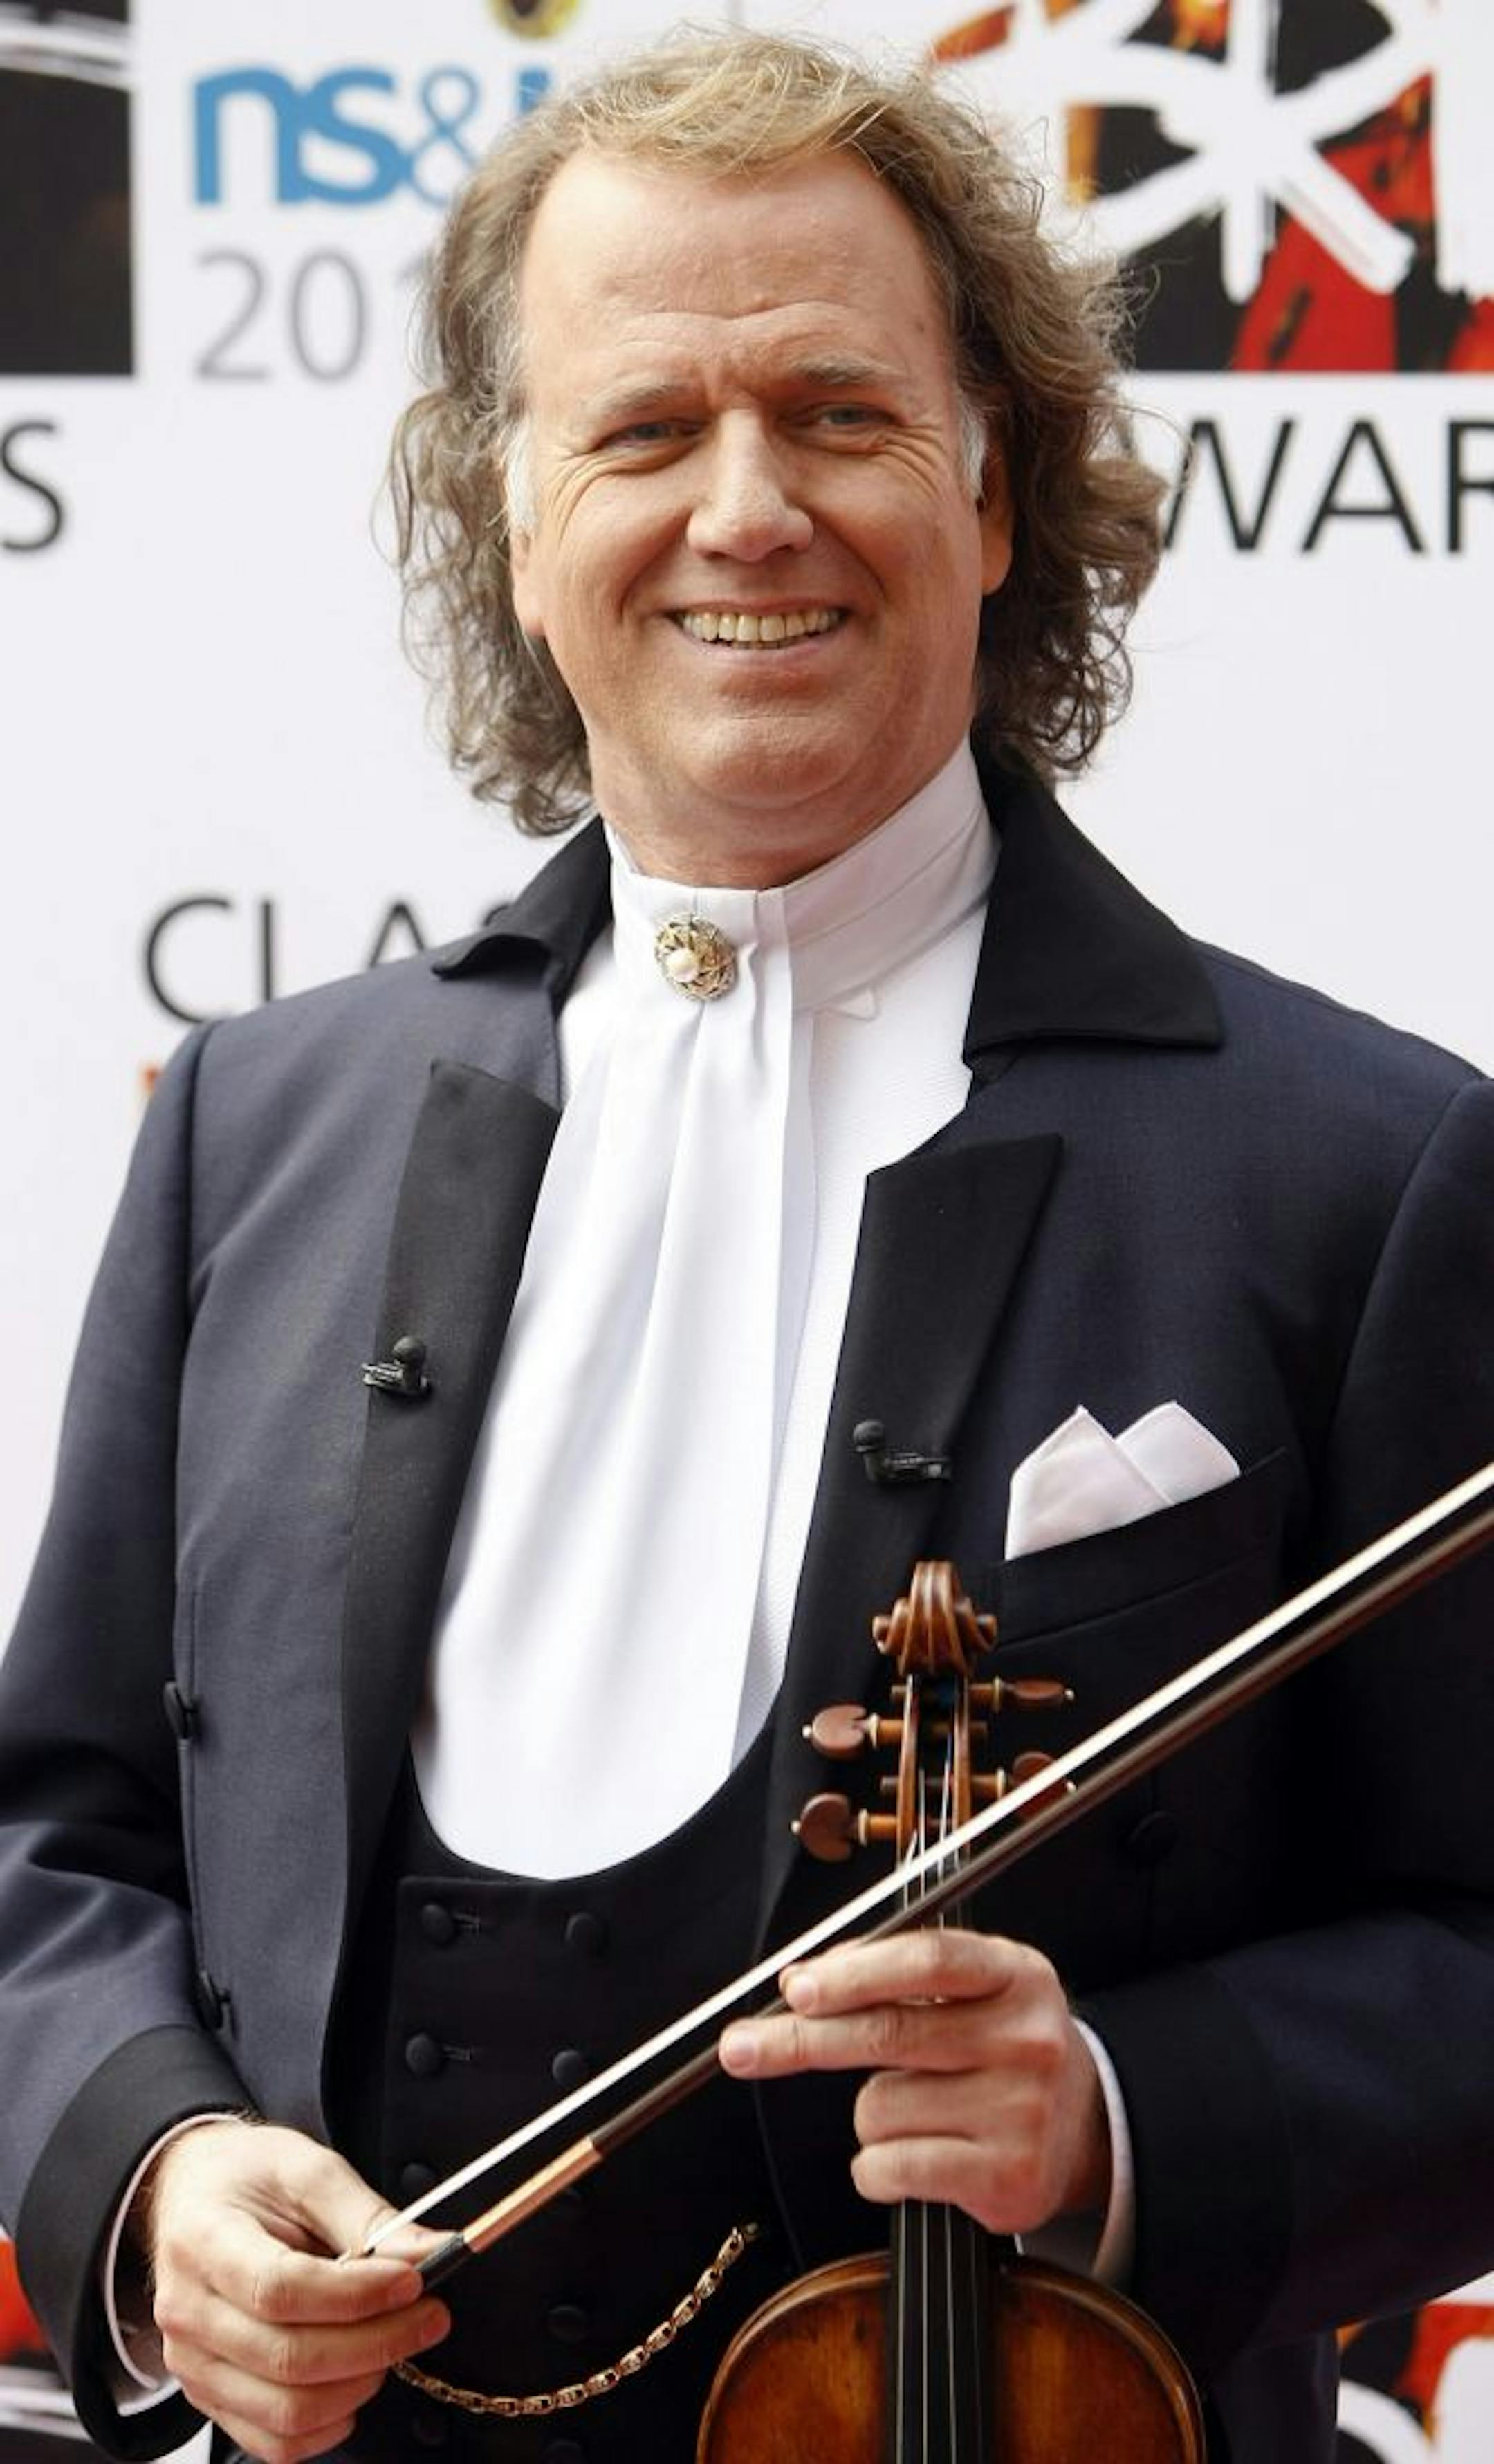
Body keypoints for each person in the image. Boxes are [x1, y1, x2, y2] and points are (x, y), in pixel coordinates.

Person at [1, 28, 1492, 2464]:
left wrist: (1129, 2102)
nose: (748, 508)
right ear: (509, 516)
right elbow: (49, 1847)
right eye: (643, 428)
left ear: (994, 489)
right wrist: (146, 2168)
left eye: (836, 411)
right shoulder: (256, 1129)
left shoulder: (1367, 1167)